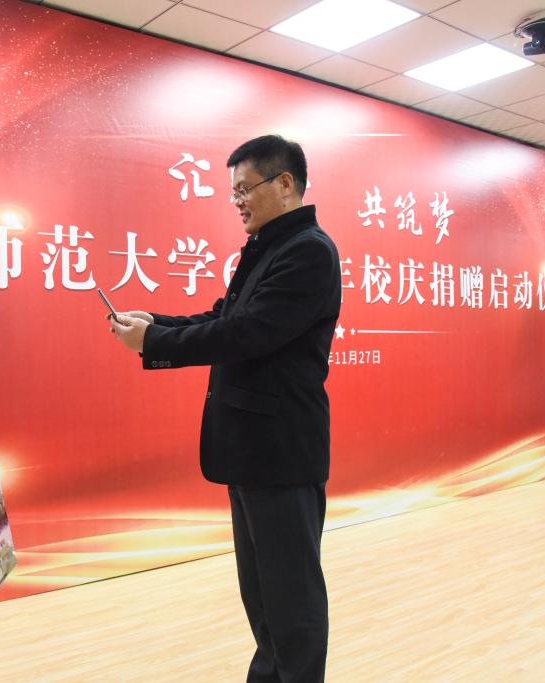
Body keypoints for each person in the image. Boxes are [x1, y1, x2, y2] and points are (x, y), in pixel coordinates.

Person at [108, 134, 341, 682]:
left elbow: (247, 334)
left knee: (292, 602)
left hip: (281, 456)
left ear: (286, 184)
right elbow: (223, 317)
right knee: (262, 597)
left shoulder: (308, 251)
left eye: (245, 188)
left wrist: (154, 343)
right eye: (233, 191)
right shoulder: (267, 249)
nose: (237, 201)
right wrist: (157, 324)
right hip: (252, 453)